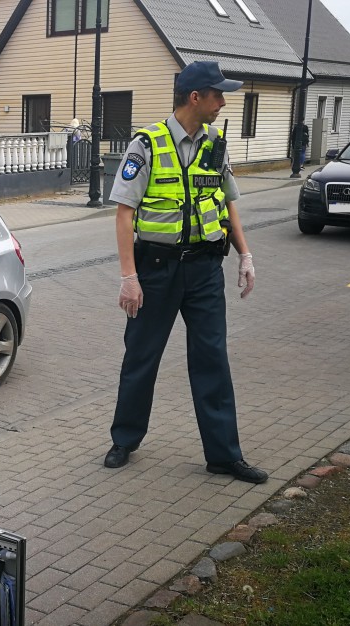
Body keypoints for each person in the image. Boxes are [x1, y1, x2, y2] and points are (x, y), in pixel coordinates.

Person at [103, 61, 268, 485]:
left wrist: (244, 255)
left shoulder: (216, 141)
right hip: (155, 271)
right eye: (218, 95)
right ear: (196, 97)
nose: (223, 102)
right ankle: (125, 439)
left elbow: (227, 201)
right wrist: (128, 277)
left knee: (212, 359)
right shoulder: (147, 143)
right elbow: (124, 214)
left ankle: (224, 455)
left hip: (205, 270)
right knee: (141, 357)